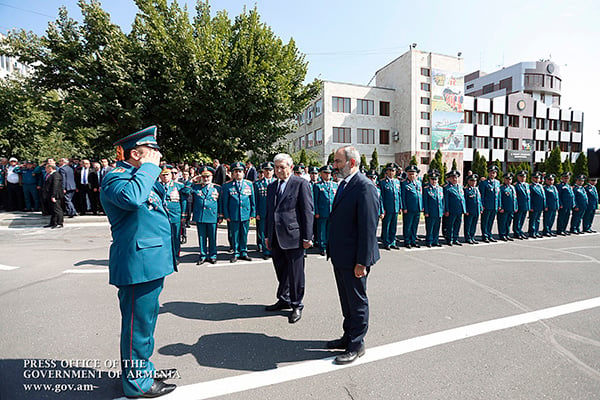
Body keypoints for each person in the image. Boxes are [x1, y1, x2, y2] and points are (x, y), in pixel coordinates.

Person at [100, 126, 177, 398]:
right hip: (137, 265)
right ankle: (136, 384)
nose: (158, 157)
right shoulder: (117, 178)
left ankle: (141, 370)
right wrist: (148, 169)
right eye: (152, 151)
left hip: (149, 262)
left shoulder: (138, 177)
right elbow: (132, 200)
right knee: (137, 327)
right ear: (136, 154)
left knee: (145, 324)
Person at [326, 146, 380, 365]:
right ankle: (348, 336)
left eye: (338, 162)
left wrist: (362, 262)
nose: (334, 166)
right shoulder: (345, 184)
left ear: (352, 163)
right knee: (346, 300)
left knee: (357, 301)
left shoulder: (364, 187)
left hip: (355, 259)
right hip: (341, 255)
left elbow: (368, 228)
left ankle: (357, 345)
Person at [264, 153, 314, 324]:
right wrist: (266, 235)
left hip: (294, 236)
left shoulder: (301, 184)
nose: (278, 170)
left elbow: (307, 212)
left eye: (282, 167)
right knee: (281, 270)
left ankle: (296, 304)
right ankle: (284, 298)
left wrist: (308, 236)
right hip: (276, 236)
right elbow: (269, 213)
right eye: (276, 167)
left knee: (295, 273)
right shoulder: (272, 187)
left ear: (291, 168)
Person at [222, 162, 255, 263]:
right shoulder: (227, 186)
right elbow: (225, 202)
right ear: (232, 173)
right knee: (235, 234)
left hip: (245, 213)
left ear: (244, 172)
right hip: (234, 214)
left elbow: (252, 200)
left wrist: (253, 213)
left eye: (240, 171)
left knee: (244, 234)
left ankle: (244, 252)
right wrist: (226, 215)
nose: (238, 173)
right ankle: (236, 252)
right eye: (235, 171)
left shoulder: (249, 184)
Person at [191, 166, 221, 265]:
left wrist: (220, 215)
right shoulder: (196, 187)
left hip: (212, 216)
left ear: (212, 176)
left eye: (208, 176)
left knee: (212, 237)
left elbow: (220, 202)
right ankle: (203, 255)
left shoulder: (217, 188)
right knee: (202, 237)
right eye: (204, 177)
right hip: (201, 215)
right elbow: (185, 190)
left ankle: (213, 255)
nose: (206, 179)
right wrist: (193, 180)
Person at [159, 165, 190, 260]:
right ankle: (165, 256)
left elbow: (184, 200)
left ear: (171, 175)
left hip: (175, 215)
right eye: (163, 175)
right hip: (162, 215)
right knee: (163, 237)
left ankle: (176, 256)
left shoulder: (178, 186)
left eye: (167, 174)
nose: (165, 176)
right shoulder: (156, 186)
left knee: (176, 237)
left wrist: (183, 214)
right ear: (160, 176)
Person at [312, 165, 338, 256]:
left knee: (330, 230)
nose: (327, 175)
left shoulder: (335, 185)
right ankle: (322, 247)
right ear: (321, 174)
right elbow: (314, 200)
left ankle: (329, 246)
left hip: (332, 212)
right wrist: (316, 212)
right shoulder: (317, 185)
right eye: (325, 173)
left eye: (329, 173)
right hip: (322, 212)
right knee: (322, 231)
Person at [254, 162, 276, 259]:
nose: (268, 172)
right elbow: (255, 200)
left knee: (274, 231)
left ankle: (273, 249)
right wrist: (257, 212)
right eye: (266, 170)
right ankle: (266, 251)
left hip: (274, 212)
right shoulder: (257, 184)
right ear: (263, 171)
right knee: (263, 232)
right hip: (263, 211)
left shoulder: (277, 182)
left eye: (270, 170)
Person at [379, 163, 402, 250]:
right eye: (390, 170)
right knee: (386, 226)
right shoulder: (383, 182)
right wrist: (382, 209)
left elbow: (399, 195)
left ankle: (393, 242)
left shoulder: (397, 182)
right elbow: (381, 197)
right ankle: (386, 242)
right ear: (386, 172)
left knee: (393, 226)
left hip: (395, 208)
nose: (391, 172)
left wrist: (400, 206)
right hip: (387, 208)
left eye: (393, 171)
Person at [401, 165, 422, 248]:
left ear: (416, 175)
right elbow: (402, 197)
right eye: (410, 174)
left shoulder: (419, 183)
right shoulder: (404, 183)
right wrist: (404, 207)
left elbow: (420, 195)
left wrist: (422, 206)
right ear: (407, 174)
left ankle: (413, 240)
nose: (412, 176)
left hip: (417, 208)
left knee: (415, 225)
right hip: (409, 209)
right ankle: (407, 241)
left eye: (413, 174)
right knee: (408, 226)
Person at [443, 170, 466, 246]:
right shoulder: (446, 188)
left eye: (456, 178)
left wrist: (464, 209)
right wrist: (446, 210)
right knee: (450, 225)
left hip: (459, 209)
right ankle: (450, 239)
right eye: (453, 178)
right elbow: (445, 200)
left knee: (457, 224)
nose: (455, 179)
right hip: (451, 210)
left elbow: (462, 199)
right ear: (449, 179)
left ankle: (456, 238)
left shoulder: (460, 187)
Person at [479, 165, 501, 243]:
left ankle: (489, 234)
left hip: (494, 205)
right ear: (488, 173)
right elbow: (482, 195)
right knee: (485, 221)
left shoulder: (497, 182)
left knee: (491, 221)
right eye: (491, 172)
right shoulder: (484, 183)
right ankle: (485, 235)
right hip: (487, 205)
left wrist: (499, 205)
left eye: (494, 172)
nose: (492, 174)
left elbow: (499, 195)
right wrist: (482, 205)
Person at [422, 170, 444, 247]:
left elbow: (442, 201)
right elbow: (425, 201)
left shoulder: (440, 189)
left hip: (439, 211)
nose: (434, 181)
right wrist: (426, 212)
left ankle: (435, 241)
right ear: (429, 179)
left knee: (437, 227)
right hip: (430, 212)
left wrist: (443, 210)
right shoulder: (426, 189)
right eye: (432, 179)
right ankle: (429, 241)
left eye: (435, 179)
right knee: (430, 228)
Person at [42, 164, 64, 229]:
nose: (45, 170)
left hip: (55, 195)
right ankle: (53, 222)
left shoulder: (56, 175)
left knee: (57, 209)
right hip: (49, 195)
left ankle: (60, 223)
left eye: (46, 168)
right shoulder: (51, 175)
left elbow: (55, 186)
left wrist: (53, 196)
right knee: (52, 210)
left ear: (50, 168)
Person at [498, 173, 517, 241]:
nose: (508, 180)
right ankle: (502, 234)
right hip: (504, 208)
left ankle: (507, 234)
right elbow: (499, 198)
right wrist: (500, 207)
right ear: (504, 179)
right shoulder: (502, 188)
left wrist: (515, 207)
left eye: (510, 179)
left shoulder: (512, 187)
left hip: (511, 208)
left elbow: (515, 198)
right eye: (507, 179)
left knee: (508, 222)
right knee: (502, 222)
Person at [464, 174, 482, 244]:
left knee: (474, 224)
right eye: (471, 181)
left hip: (476, 210)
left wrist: (480, 208)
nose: (473, 182)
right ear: (468, 181)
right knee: (468, 224)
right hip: (469, 210)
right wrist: (466, 210)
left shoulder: (477, 189)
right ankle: (468, 237)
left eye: (475, 181)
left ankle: (472, 236)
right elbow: (464, 201)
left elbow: (479, 200)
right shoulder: (466, 190)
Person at [513, 170, 531, 239]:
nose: (523, 178)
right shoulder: (516, 185)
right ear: (518, 177)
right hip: (519, 205)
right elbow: (515, 197)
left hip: (525, 205)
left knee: (522, 219)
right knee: (517, 219)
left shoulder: (527, 185)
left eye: (524, 176)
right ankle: (516, 232)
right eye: (521, 176)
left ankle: (520, 231)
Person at [528, 172, 546, 238]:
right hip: (534, 206)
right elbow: (530, 198)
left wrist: (544, 205)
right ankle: (532, 232)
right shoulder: (531, 186)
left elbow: (543, 197)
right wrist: (531, 206)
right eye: (535, 178)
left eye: (538, 178)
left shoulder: (540, 186)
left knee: (538, 219)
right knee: (533, 219)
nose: (537, 179)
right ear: (532, 178)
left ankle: (536, 231)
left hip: (540, 205)